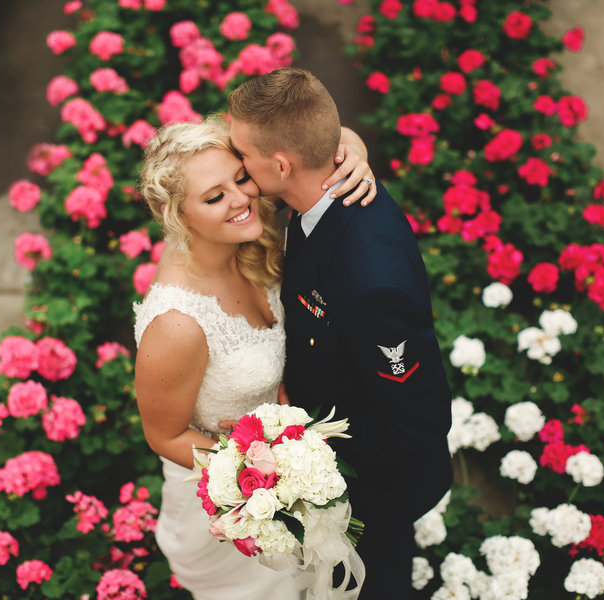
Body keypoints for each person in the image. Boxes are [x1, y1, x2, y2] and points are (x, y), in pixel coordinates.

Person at [227, 68, 453, 598]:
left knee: (375, 581)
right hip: (333, 413)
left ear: (280, 165)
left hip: (376, 490)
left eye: (242, 155)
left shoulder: (373, 285)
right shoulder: (318, 186)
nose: (236, 165)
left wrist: (310, 463)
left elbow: (416, 424)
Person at [133, 116, 373, 600]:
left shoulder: (248, 238)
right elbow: (164, 434)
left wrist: (355, 154)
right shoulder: (177, 324)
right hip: (232, 503)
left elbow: (320, 133)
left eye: (240, 178)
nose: (241, 200)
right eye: (214, 196)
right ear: (177, 214)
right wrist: (262, 479)